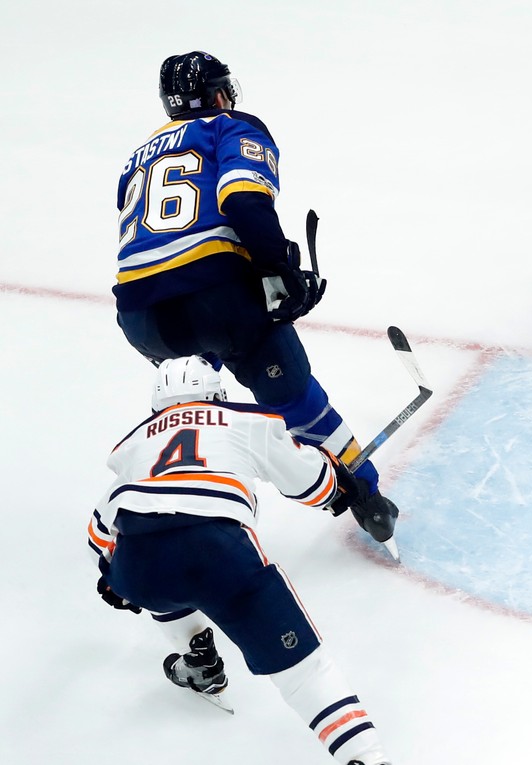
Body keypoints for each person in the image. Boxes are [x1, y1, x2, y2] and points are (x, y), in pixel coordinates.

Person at [113, 50, 397, 547]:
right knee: (295, 399)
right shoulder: (228, 126)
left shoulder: (138, 155)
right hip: (216, 298)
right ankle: (366, 496)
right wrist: (280, 269)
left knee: (191, 408)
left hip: (139, 315)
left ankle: (158, 522)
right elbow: (243, 198)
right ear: (219, 94)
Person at [87, 356, 394, 765]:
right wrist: (339, 483)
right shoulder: (245, 419)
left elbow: (99, 532)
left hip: (138, 565)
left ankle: (199, 660)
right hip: (218, 551)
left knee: (162, 565)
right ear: (215, 393)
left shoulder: (131, 443)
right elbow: (311, 484)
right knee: (304, 673)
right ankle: (366, 756)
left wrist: (114, 577)